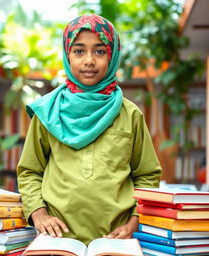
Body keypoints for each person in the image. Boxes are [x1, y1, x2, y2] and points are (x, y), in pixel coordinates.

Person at [17, 14, 162, 245]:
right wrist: (38, 213)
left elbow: (146, 176)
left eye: (100, 51)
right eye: (79, 51)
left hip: (115, 240)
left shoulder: (130, 114)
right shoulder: (47, 112)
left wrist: (135, 221)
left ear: (113, 56)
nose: (89, 60)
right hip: (56, 240)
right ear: (67, 55)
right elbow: (30, 172)